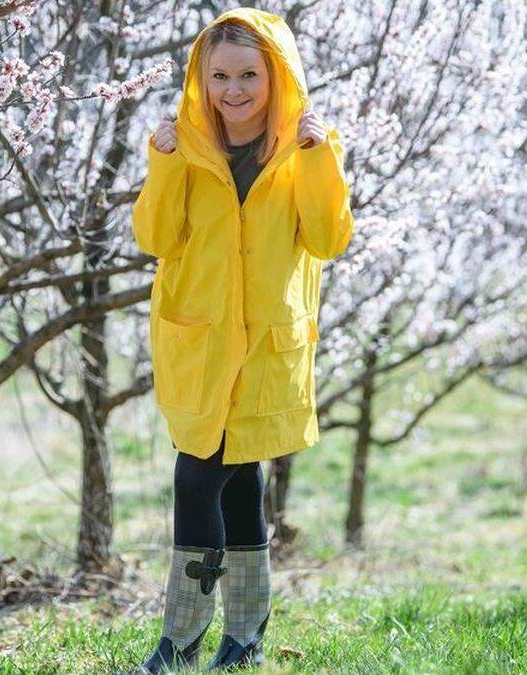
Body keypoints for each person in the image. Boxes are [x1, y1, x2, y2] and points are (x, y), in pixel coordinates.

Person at [122, 7, 355, 674]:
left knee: (201, 481)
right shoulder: (184, 147)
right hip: (199, 344)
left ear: (276, 76)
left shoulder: (306, 149)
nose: (233, 90)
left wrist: (318, 159)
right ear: (202, 78)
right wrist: (162, 164)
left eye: (249, 74)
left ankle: (183, 641)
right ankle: (240, 640)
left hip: (263, 349)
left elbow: (329, 239)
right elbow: (156, 238)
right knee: (228, 482)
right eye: (219, 75)